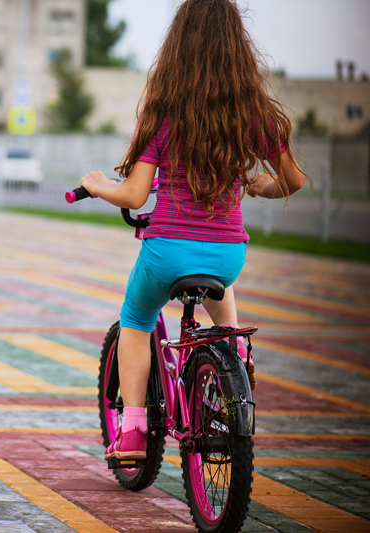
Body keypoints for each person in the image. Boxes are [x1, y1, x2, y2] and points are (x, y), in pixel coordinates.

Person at [79, 0, 308, 461]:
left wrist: (101, 186)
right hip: (227, 255)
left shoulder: (163, 111)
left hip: (168, 252)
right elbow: (294, 180)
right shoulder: (250, 113)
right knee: (221, 300)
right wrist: (259, 186)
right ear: (236, 48)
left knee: (137, 318)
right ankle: (234, 369)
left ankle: (135, 430)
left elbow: (136, 196)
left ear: (177, 47)